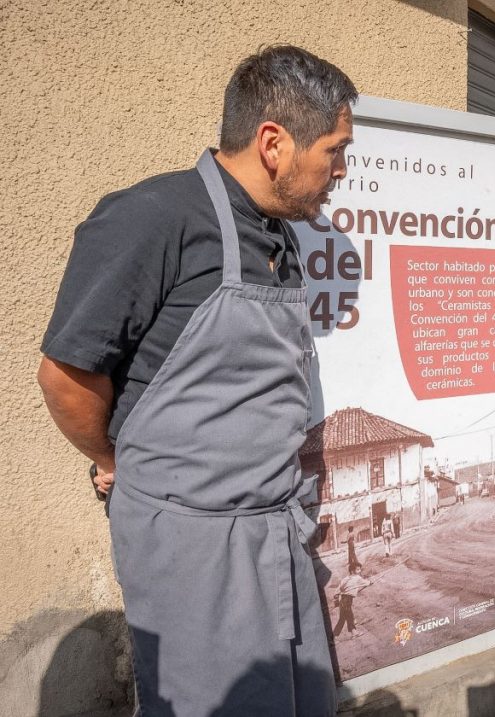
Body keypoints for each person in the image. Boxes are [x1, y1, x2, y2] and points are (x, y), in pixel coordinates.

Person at [37, 45, 357, 716]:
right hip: (194, 555)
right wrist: (111, 458)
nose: (340, 171)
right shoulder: (155, 218)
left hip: (275, 535)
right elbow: (66, 377)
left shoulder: (278, 239)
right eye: (333, 151)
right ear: (274, 143)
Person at [333, 566, 371, 638]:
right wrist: (370, 582)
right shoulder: (357, 578)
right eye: (357, 569)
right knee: (349, 616)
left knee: (343, 618)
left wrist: (336, 595)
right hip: (347, 599)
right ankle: (354, 633)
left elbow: (339, 588)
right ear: (352, 571)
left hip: (343, 599)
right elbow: (365, 583)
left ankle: (334, 635)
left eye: (360, 569)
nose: (359, 571)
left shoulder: (345, 578)